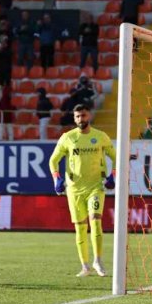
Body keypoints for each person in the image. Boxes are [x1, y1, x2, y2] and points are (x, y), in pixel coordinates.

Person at [49, 104, 117, 277]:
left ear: (90, 116)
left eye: (84, 116)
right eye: (78, 116)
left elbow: (117, 158)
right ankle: (85, 266)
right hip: (74, 189)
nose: (81, 119)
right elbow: (53, 160)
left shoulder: (100, 137)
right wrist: (56, 178)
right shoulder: (68, 138)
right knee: (80, 228)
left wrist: (112, 176)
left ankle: (98, 260)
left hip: (96, 186)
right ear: (74, 118)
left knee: (95, 221)